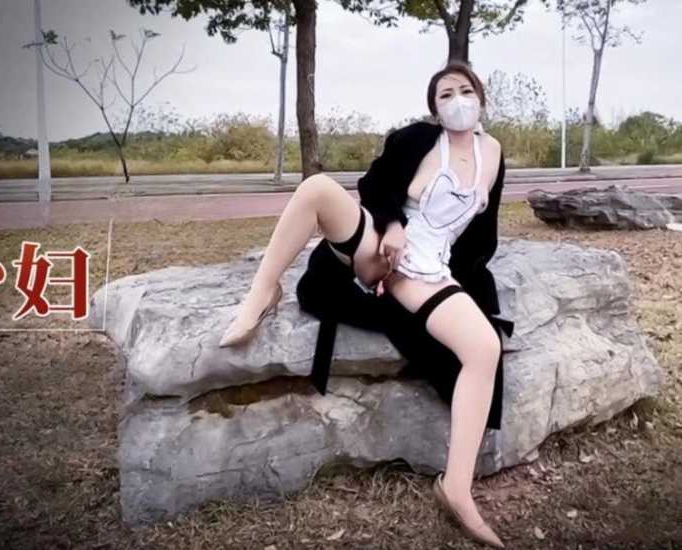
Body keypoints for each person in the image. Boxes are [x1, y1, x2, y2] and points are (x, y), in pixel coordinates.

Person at [217, 61, 514, 549]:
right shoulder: (419, 139)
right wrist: (393, 224)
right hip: (381, 243)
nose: (457, 100)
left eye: (465, 91)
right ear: (434, 108)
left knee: (483, 348)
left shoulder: (493, 151)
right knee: (317, 188)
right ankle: (263, 291)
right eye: (445, 95)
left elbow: (481, 233)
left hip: (427, 270)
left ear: (480, 97)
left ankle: (456, 489)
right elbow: (375, 184)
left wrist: (471, 283)